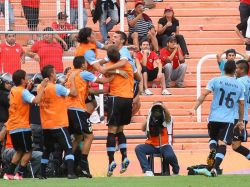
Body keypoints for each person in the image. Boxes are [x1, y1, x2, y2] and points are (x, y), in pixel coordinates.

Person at [190, 60, 245, 177]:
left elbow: (204, 95)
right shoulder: (239, 85)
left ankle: (212, 150)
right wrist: (240, 120)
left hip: (214, 117)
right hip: (228, 120)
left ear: (224, 69)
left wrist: (194, 108)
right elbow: (241, 104)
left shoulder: (215, 80)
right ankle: (214, 168)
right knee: (223, 144)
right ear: (235, 70)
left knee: (213, 140)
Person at [65, 56, 113, 178]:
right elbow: (102, 81)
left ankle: (67, 162)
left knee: (78, 136)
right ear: (82, 65)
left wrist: (105, 91)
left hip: (68, 108)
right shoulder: (83, 73)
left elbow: (89, 90)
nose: (87, 65)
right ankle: (83, 164)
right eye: (86, 63)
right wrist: (115, 76)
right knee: (89, 136)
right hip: (77, 109)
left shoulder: (71, 73)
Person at [3, 69, 48, 180]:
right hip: (22, 126)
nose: (28, 78)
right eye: (26, 77)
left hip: (13, 126)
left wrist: (27, 89)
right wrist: (41, 88)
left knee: (19, 151)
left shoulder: (14, 90)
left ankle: (9, 173)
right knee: (29, 150)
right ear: (22, 80)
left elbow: (19, 99)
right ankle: (20, 173)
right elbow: (36, 100)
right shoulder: (23, 92)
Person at [39, 65, 77, 179]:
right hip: (58, 123)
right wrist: (72, 80)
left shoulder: (41, 88)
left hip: (46, 124)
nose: (56, 74)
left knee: (47, 149)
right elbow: (74, 93)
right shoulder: (57, 88)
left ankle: (42, 173)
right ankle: (70, 173)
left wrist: (63, 82)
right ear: (51, 74)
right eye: (55, 72)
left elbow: (53, 91)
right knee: (69, 148)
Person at [105, 45, 134, 177]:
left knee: (111, 131)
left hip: (115, 98)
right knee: (120, 130)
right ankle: (124, 157)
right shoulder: (127, 64)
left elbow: (104, 71)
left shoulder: (109, 65)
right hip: (128, 98)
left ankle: (111, 161)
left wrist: (113, 71)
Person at [135, 101, 179, 176]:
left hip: (165, 145)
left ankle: (176, 170)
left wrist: (163, 108)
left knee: (169, 156)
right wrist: (149, 117)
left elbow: (168, 117)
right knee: (138, 148)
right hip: (152, 146)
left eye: (159, 109)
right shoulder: (150, 118)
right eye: (155, 108)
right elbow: (143, 128)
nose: (157, 111)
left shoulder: (167, 118)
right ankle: (147, 170)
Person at [232, 60, 250, 160]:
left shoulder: (239, 82)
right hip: (241, 116)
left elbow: (239, 100)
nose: (235, 70)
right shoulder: (248, 80)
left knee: (235, 145)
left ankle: (213, 167)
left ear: (242, 70)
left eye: (237, 68)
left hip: (237, 117)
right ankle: (214, 167)